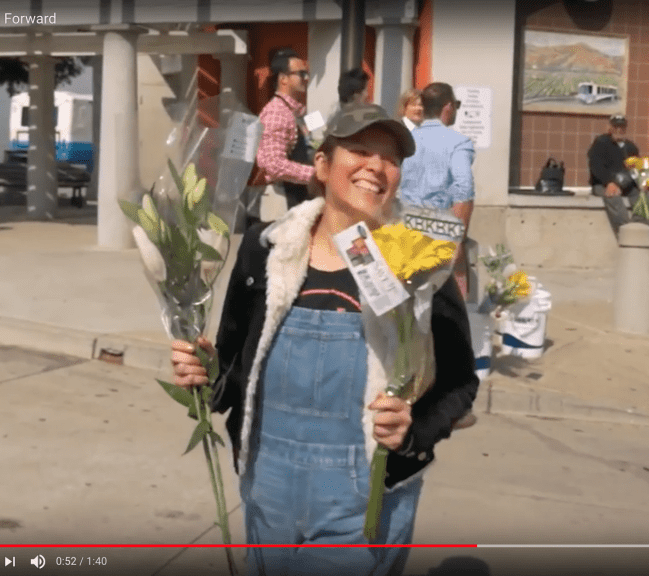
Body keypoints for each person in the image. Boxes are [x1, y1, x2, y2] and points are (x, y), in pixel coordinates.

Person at [169, 104, 478, 575]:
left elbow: (460, 381)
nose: (376, 166)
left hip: (365, 500)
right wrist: (204, 374)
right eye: (359, 150)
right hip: (266, 489)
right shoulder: (266, 248)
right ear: (321, 164)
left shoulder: (418, 262)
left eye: (391, 158)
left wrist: (413, 431)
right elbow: (234, 373)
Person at [398, 82, 475, 299]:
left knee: (407, 306)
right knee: (446, 306)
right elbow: (463, 189)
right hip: (440, 232)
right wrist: (457, 241)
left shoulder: (405, 139)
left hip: (403, 231)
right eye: (456, 105)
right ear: (448, 107)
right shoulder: (458, 143)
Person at [254, 48, 315, 222]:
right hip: (282, 199)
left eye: (307, 73)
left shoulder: (293, 111)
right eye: (301, 73)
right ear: (283, 79)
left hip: (294, 197)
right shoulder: (277, 112)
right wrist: (315, 174)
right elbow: (274, 165)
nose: (306, 78)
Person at [588, 114, 640, 234]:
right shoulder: (600, 143)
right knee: (613, 195)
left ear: (625, 128)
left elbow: (635, 170)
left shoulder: (631, 147)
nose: (619, 130)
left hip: (624, 184)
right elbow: (596, 168)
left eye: (621, 127)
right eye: (615, 127)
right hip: (603, 184)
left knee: (643, 197)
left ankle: (640, 230)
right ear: (609, 127)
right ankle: (625, 233)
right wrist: (610, 182)